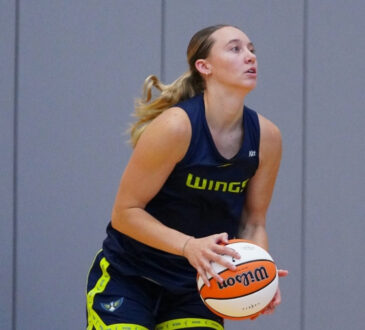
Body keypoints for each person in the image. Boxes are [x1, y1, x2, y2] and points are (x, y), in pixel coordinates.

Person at [86, 24, 288, 330]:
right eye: (235, 49)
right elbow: (125, 213)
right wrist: (188, 246)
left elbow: (253, 222)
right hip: (130, 274)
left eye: (251, 49)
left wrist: (258, 277)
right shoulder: (176, 127)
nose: (249, 57)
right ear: (204, 66)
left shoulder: (267, 137)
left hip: (198, 285)